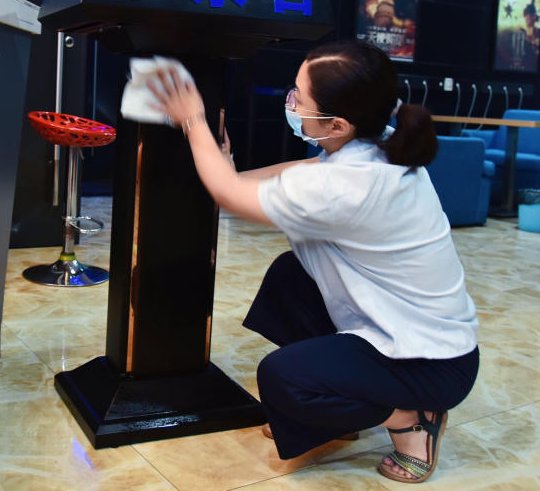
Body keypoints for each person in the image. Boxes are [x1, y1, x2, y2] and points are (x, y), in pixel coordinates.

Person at [149, 41, 479, 484]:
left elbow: (231, 196)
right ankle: (345, 410)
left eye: (298, 98)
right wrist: (230, 170)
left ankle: (412, 421)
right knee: (291, 276)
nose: (292, 103)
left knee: (284, 380)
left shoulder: (352, 185)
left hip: (430, 365)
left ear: (338, 123)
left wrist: (193, 121)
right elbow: (299, 172)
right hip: (407, 337)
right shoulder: (375, 136)